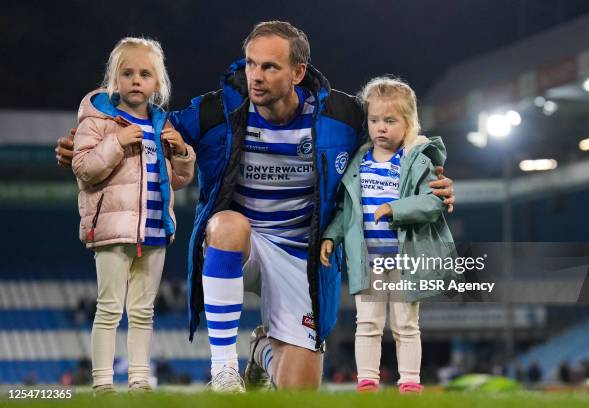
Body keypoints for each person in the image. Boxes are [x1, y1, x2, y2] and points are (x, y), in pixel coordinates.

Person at [55, 21, 455, 392]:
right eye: (250, 64)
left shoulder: (342, 115)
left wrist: (432, 180)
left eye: (269, 67)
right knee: (226, 224)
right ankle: (224, 369)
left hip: (303, 255)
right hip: (242, 242)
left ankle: (263, 350)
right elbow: (151, 128)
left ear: (297, 73)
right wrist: (87, 141)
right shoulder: (218, 112)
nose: (256, 76)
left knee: (299, 389)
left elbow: (396, 136)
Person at [71, 37, 195, 394]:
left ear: (158, 83)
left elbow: (177, 181)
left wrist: (183, 153)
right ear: (114, 79)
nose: (135, 80)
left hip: (155, 228)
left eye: (144, 74)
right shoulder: (99, 119)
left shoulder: (161, 125)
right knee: (109, 308)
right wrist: (118, 141)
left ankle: (140, 380)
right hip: (113, 228)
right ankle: (102, 384)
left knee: (143, 311)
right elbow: (84, 168)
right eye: (127, 73)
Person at [320, 77, 456, 392]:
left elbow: (433, 202)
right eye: (374, 120)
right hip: (369, 260)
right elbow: (347, 211)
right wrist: (331, 236)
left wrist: (397, 209)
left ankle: (409, 382)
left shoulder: (416, 160)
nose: (381, 127)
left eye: (390, 121)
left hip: (405, 259)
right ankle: (367, 380)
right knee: (367, 323)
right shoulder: (359, 163)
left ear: (408, 124)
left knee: (405, 325)